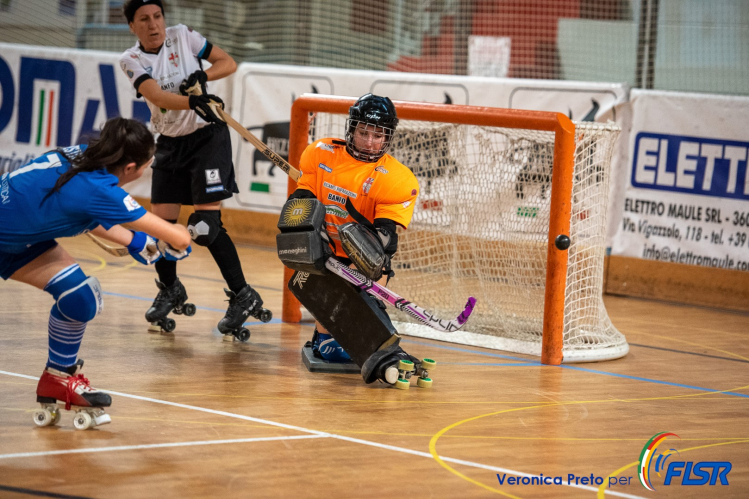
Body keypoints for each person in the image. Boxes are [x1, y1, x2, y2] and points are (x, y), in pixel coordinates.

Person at [0, 117, 192, 429]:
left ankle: (57, 378)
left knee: (81, 298)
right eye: (146, 165)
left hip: (19, 241)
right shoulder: (101, 189)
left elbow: (85, 210)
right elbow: (178, 237)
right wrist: (180, 233)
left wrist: (134, 241)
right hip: (11, 238)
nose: (145, 171)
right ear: (130, 168)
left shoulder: (84, 155)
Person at [119, 0, 270, 340]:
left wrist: (204, 75)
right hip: (171, 142)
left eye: (157, 16)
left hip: (207, 139)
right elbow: (156, 95)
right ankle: (170, 288)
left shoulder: (183, 37)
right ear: (132, 26)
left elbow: (227, 62)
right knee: (160, 227)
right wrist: (192, 100)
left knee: (203, 226)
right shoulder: (131, 60)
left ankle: (243, 294)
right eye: (144, 19)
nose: (154, 24)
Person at [277, 94, 427, 388]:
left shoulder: (397, 178)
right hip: (319, 252)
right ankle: (340, 340)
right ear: (351, 129)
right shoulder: (321, 153)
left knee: (358, 309)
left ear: (388, 137)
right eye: (363, 132)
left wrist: (371, 257)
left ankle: (376, 340)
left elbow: (386, 236)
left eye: (378, 135)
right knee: (330, 347)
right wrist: (307, 235)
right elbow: (301, 202)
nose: (370, 141)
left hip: (359, 258)